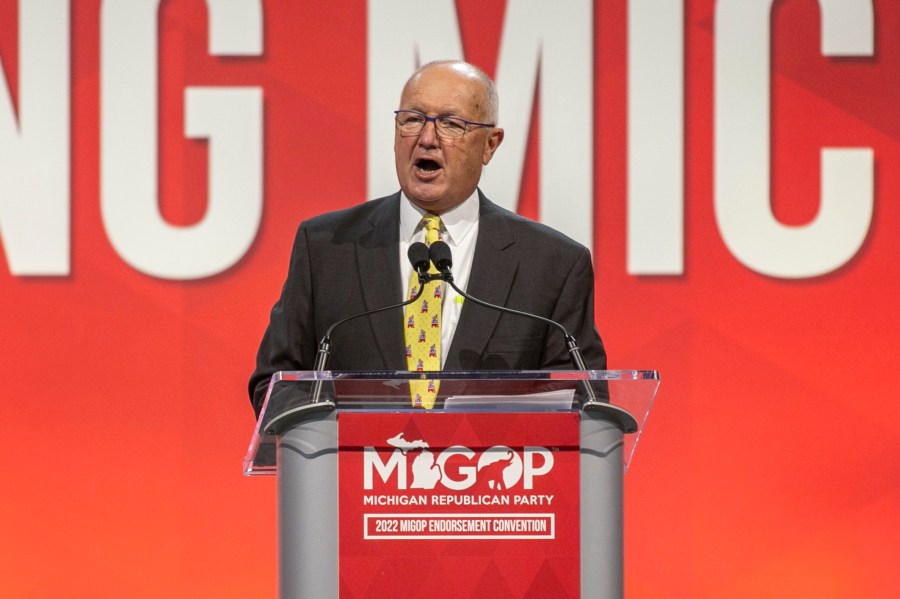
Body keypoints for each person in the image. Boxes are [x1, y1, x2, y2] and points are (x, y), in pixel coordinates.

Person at [248, 60, 606, 415]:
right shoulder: (326, 247)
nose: (427, 139)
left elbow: (580, 401)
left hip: (490, 472)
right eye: (412, 120)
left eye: (451, 124)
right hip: (355, 470)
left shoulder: (553, 265)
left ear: (490, 145)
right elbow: (275, 386)